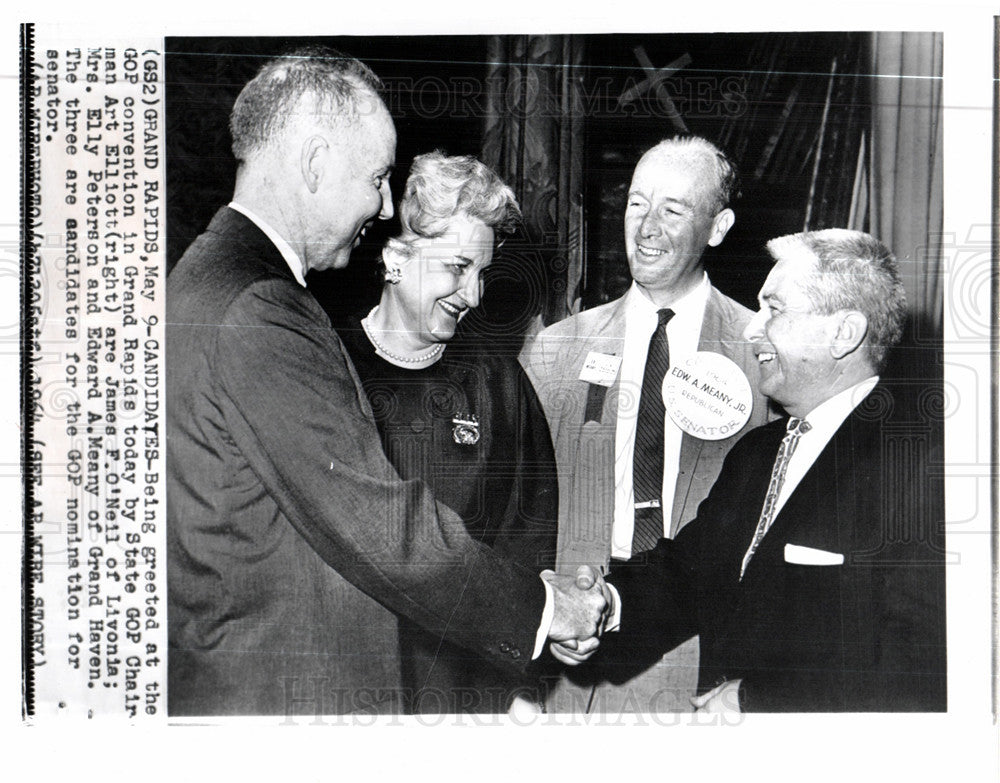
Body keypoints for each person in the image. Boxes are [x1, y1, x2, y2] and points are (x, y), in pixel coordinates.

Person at [166, 48, 608, 717]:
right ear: (316, 164)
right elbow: (384, 530)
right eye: (375, 178)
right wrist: (550, 610)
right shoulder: (260, 306)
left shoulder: (203, 278)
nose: (380, 204)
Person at [557, 229, 947, 713]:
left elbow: (929, 672)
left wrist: (756, 702)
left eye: (775, 310)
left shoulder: (924, 466)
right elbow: (688, 573)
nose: (751, 328)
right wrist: (604, 607)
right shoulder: (757, 453)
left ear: (843, 333)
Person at [521, 134, 773, 713]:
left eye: (673, 209)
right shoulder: (554, 352)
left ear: (718, 226)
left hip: (703, 667)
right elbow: (520, 517)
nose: (646, 227)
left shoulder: (762, 357)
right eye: (637, 203)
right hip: (574, 663)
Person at [336, 151, 558, 713]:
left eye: (483, 273)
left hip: (469, 691)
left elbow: (529, 536)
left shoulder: (497, 380)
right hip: (353, 681)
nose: (475, 295)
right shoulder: (328, 367)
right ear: (394, 259)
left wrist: (520, 688)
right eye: (457, 268)